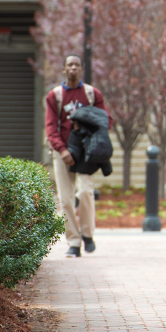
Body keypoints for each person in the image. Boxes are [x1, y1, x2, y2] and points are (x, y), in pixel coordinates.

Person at [45, 55, 113, 258]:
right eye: (70, 65)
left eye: (77, 65)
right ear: (64, 69)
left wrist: (86, 124)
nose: (73, 68)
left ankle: (87, 234)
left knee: (85, 192)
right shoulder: (55, 96)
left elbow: (106, 120)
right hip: (62, 152)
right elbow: (50, 127)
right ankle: (73, 242)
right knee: (65, 199)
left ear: (81, 69)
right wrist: (62, 149)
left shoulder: (92, 94)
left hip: (86, 152)